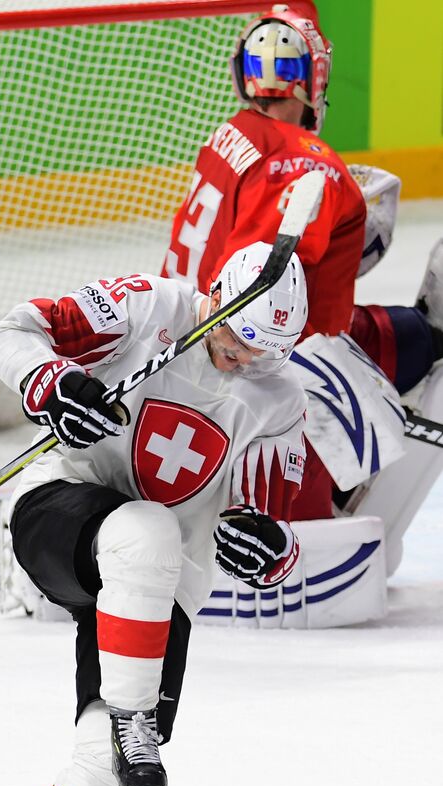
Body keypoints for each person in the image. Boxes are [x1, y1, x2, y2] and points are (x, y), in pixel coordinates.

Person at [0, 242, 309, 786]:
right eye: (233, 336)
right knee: (145, 527)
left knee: (105, 769)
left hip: (158, 591)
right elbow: (5, 333)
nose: (239, 361)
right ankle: (134, 717)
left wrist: (270, 550)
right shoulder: (142, 308)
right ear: (214, 296)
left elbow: (279, 531)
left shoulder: (279, 399)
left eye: (263, 353)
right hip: (63, 515)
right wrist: (51, 379)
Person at [162, 2, 443, 521]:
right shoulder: (309, 167)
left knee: (406, 331)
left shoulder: (232, 134)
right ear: (308, 76)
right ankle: (305, 510)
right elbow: (258, 305)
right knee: (404, 353)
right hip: (246, 370)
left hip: (184, 340)